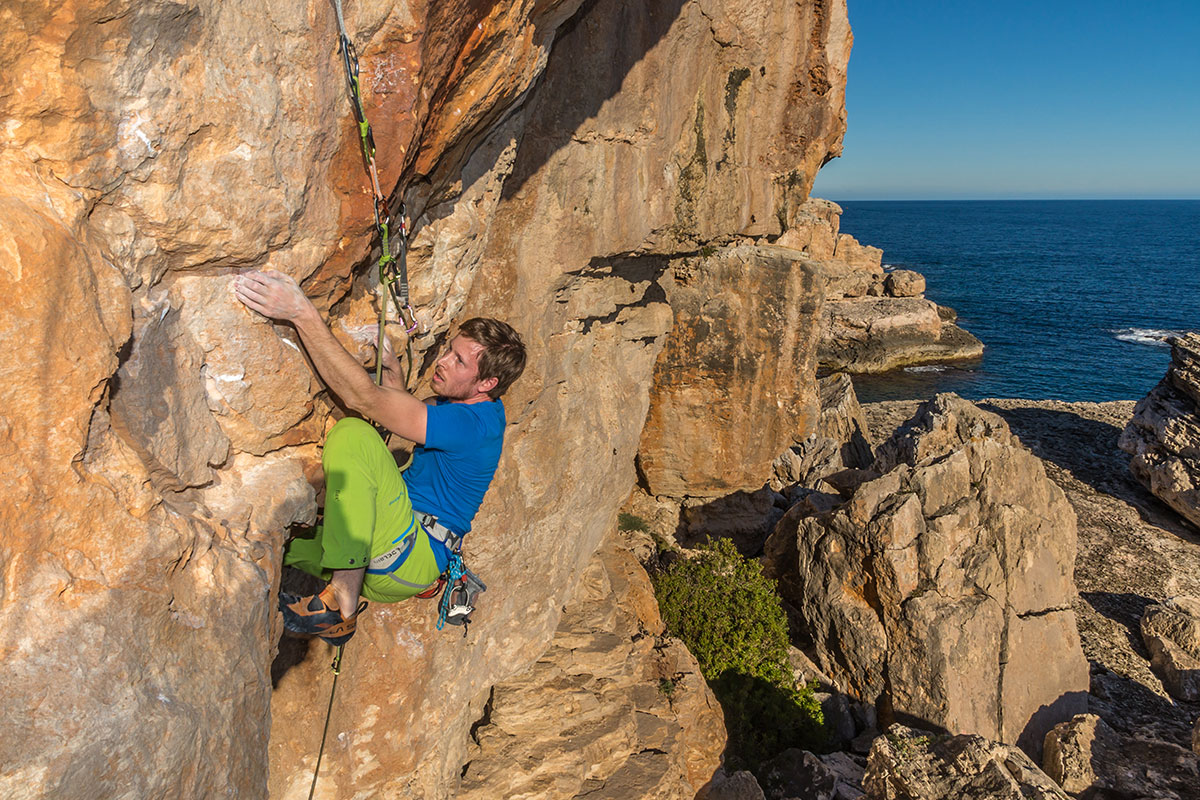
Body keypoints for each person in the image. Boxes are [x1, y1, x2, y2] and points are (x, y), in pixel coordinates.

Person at [234, 270, 526, 645]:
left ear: (486, 384)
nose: (442, 361)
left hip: (408, 553)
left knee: (354, 435)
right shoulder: (466, 408)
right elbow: (403, 416)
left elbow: (362, 401)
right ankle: (338, 589)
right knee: (272, 542)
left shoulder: (472, 425)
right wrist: (395, 379)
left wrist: (300, 313)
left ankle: (342, 599)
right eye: (449, 350)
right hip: (394, 555)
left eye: (459, 362)